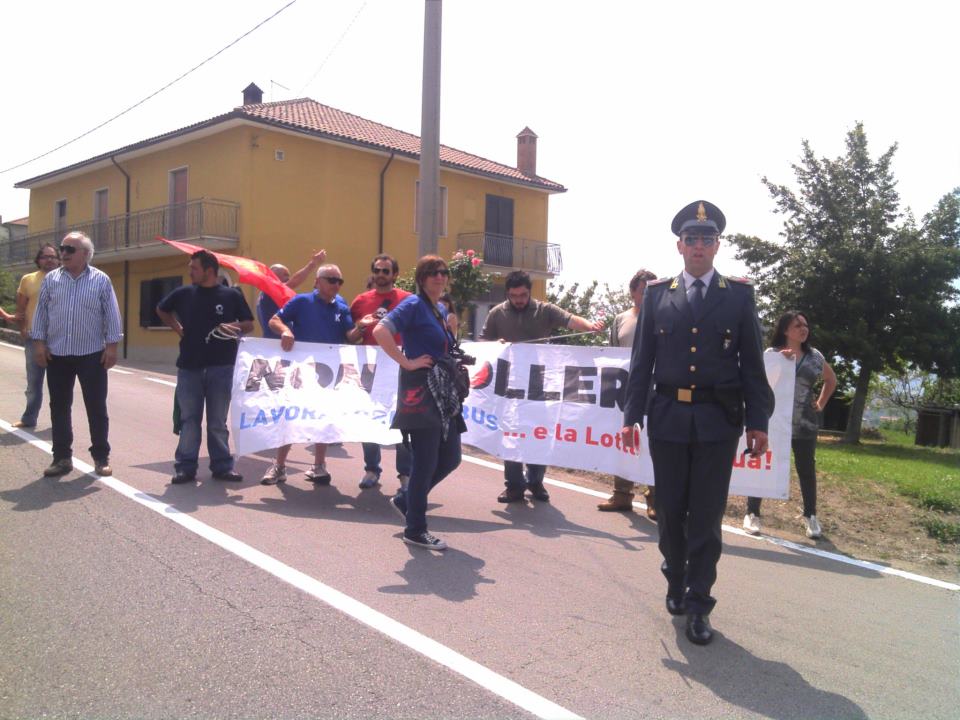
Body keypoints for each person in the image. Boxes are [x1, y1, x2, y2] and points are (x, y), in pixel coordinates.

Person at [621, 200, 771, 646]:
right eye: (692, 239)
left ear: (717, 245)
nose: (699, 246)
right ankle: (675, 577)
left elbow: (751, 367)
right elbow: (641, 360)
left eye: (707, 239)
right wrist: (631, 415)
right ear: (679, 245)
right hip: (666, 418)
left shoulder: (738, 296)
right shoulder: (656, 294)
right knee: (669, 510)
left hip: (716, 422)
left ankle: (699, 601)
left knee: (705, 517)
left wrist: (757, 422)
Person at [481, 269, 604, 503]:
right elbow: (483, 342)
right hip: (510, 387)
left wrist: (590, 326)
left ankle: (535, 482)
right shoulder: (497, 313)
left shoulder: (545, 310)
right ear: (507, 294)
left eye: (523, 295)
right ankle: (514, 486)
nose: (519, 300)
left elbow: (570, 320)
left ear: (530, 292)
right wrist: (495, 345)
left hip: (543, 385)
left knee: (540, 434)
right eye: (514, 296)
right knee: (512, 434)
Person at [373, 255, 466, 551]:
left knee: (450, 457)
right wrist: (406, 362)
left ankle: (406, 500)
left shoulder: (439, 309)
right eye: (433, 273)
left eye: (443, 272)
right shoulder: (413, 305)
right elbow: (380, 331)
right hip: (421, 393)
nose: (440, 277)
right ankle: (416, 528)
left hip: (443, 393)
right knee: (426, 461)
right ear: (422, 278)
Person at [157, 250, 254, 484]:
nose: (190, 272)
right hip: (189, 366)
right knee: (189, 419)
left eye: (194, 268)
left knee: (217, 421)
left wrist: (233, 326)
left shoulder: (231, 295)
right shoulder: (183, 293)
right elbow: (161, 309)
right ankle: (185, 467)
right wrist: (178, 329)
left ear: (209, 271)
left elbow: (249, 324)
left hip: (222, 367)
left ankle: (222, 466)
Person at [261, 264, 363, 485]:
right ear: (318, 281)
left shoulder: (342, 306)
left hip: (329, 373)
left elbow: (350, 337)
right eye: (332, 279)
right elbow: (274, 320)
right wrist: (286, 330)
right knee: (290, 417)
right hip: (301, 370)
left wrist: (362, 327)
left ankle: (318, 466)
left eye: (340, 281)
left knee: (323, 419)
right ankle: (279, 466)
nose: (337, 284)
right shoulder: (302, 301)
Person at [30, 232, 123, 477]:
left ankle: (101, 457)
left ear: (85, 254)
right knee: (59, 406)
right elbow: (41, 313)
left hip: (91, 354)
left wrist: (112, 347)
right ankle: (61, 458)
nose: (64, 253)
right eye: (63, 248)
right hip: (57, 353)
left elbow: (111, 314)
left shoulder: (101, 280)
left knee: (96, 406)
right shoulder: (52, 280)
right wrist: (39, 344)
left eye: (70, 249)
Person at [743, 311, 837, 539]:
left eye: (805, 324)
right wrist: (779, 363)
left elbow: (831, 379)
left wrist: (821, 403)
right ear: (785, 330)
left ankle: (811, 516)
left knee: (806, 470)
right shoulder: (772, 354)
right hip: (774, 422)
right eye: (798, 325)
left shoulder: (815, 356)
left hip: (805, 424)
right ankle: (752, 513)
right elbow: (760, 382)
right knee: (764, 465)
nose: (804, 329)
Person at [349, 254, 413, 490]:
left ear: (395, 275)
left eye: (386, 271)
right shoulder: (360, 301)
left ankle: (406, 474)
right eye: (377, 270)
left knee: (403, 421)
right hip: (370, 370)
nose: (381, 275)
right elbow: (350, 337)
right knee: (370, 418)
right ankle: (371, 469)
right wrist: (360, 326)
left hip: (400, 369)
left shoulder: (408, 300)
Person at [598, 268, 658, 515]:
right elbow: (613, 355)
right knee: (624, 440)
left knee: (654, 443)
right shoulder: (621, 320)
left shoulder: (664, 318)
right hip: (625, 392)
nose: (648, 296)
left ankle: (655, 499)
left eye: (653, 291)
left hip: (655, 390)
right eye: (644, 291)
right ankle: (621, 494)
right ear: (633, 292)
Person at [11, 244, 61, 429]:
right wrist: (23, 329)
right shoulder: (28, 279)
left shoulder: (66, 279)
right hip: (34, 337)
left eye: (53, 256)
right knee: (34, 382)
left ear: (58, 260)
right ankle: (29, 418)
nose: (49, 259)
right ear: (38, 260)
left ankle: (60, 421)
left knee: (59, 383)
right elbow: (20, 309)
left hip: (59, 339)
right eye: (45, 256)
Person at [256, 249, 327, 338]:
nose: (288, 278)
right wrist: (313, 264)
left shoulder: (268, 294)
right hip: (276, 343)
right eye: (285, 275)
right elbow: (294, 282)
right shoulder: (268, 292)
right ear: (273, 275)